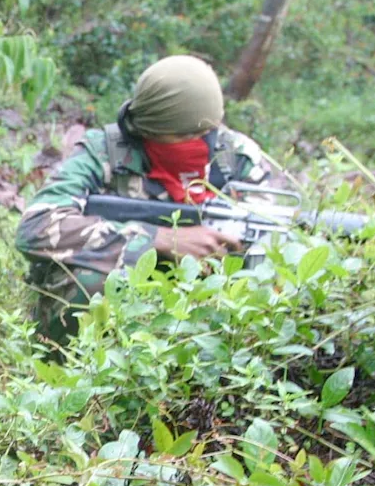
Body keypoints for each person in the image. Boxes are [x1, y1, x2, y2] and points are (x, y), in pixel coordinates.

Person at [15, 55, 281, 346]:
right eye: (185, 135)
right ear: (149, 130)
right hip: (124, 285)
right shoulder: (103, 152)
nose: (200, 143)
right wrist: (158, 239)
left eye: (206, 133)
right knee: (88, 282)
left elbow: (273, 241)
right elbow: (36, 227)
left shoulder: (236, 156)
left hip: (208, 302)